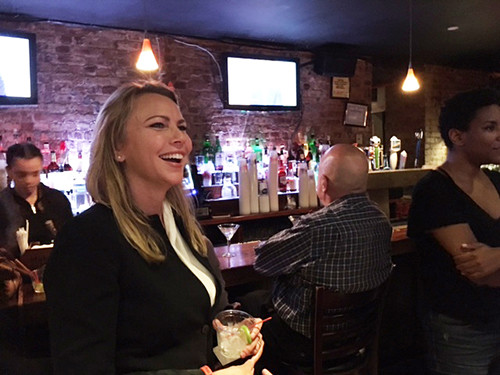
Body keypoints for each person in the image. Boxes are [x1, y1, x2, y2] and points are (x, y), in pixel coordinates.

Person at [44, 80, 269, 375]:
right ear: (117, 147)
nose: (181, 140)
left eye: (181, 127)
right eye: (158, 125)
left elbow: (206, 321)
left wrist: (237, 334)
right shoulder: (87, 239)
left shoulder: (181, 225)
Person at [251, 144, 393, 372]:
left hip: (303, 343)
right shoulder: (382, 222)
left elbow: (263, 261)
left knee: (247, 308)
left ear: (324, 183)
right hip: (357, 337)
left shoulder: (317, 226)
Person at [408, 87, 500, 375]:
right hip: (463, 328)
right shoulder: (434, 190)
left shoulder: (497, 180)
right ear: (457, 136)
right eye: (490, 128)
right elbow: (482, 273)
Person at [0, 143, 73, 259]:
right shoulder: (3, 204)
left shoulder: (57, 201)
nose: (29, 181)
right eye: (21, 175)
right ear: (9, 171)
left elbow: (72, 242)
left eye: (35, 174)